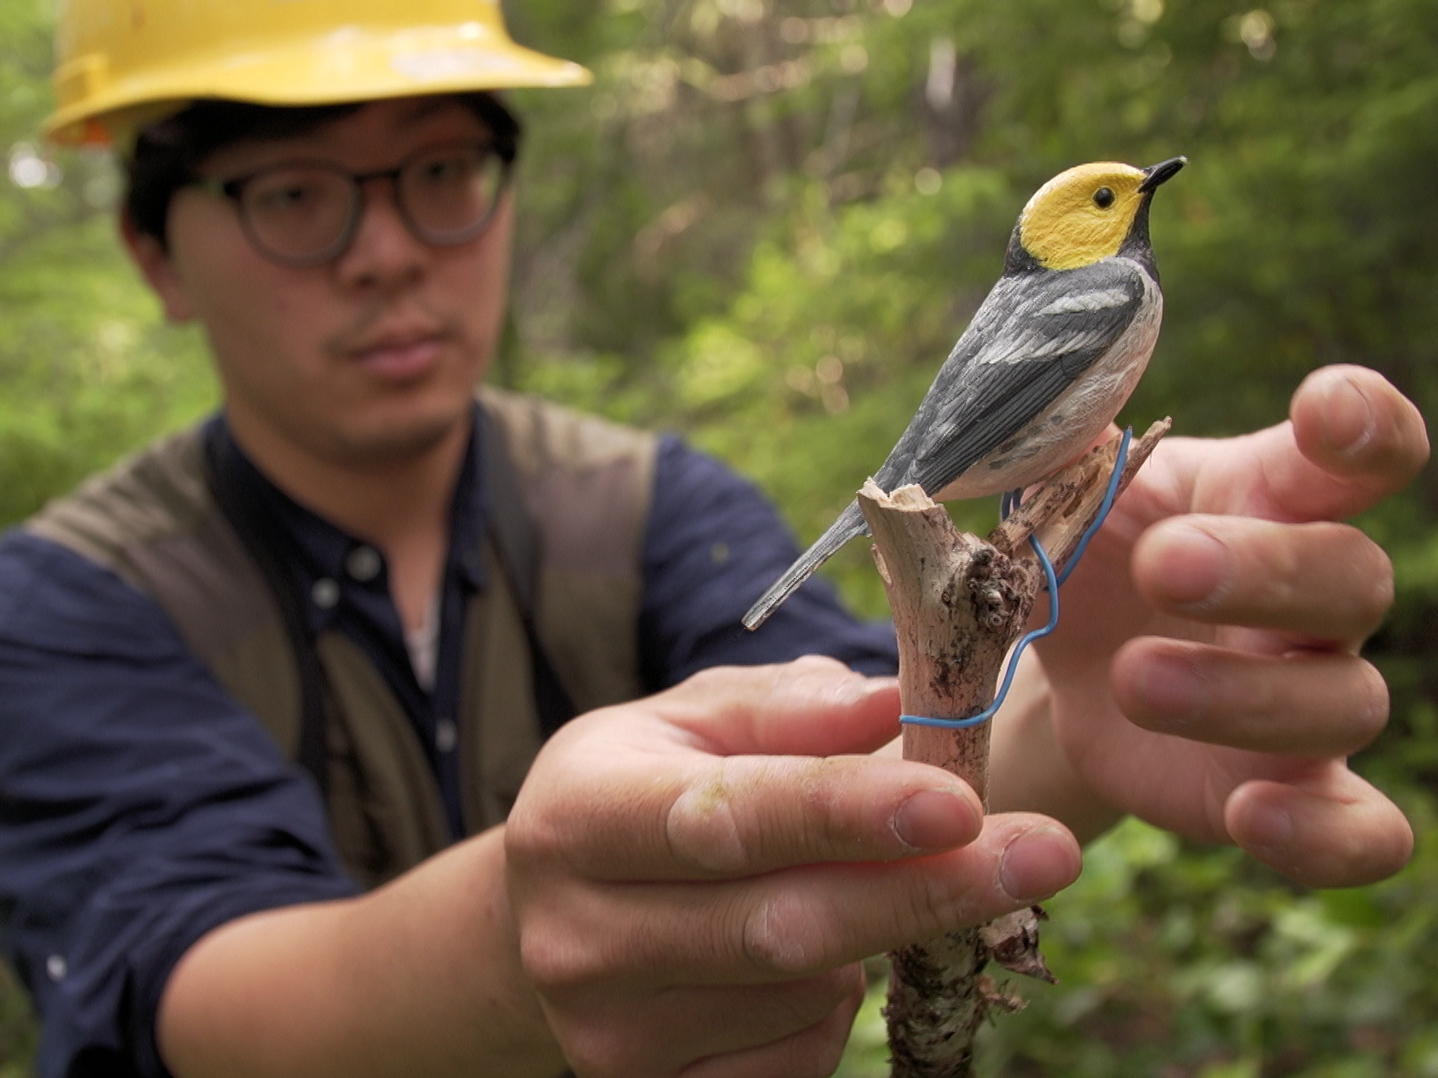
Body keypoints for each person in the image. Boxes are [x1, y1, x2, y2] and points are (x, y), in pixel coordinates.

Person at [0, 3, 1427, 1077]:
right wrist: (518, 931)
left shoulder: (652, 507)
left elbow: (859, 756)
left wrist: (1059, 696)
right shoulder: (65, 598)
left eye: (439, 169)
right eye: (295, 191)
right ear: (151, 249)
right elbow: (177, 983)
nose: (388, 250)